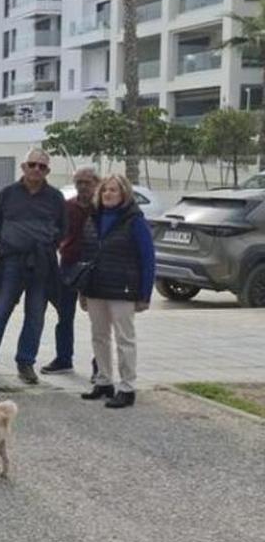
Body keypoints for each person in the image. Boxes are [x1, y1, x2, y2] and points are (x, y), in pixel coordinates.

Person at [0, 149, 66, 384]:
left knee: (35, 315)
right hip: (11, 261)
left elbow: (62, 229)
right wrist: (14, 241)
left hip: (41, 264)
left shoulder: (55, 197)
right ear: (24, 166)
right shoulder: (7, 193)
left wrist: (43, 244)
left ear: (48, 171)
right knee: (0, 311)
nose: (37, 169)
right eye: (33, 164)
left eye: (42, 166)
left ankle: (26, 362)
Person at [78, 174, 155, 409]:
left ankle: (127, 386)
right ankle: (103, 381)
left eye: (114, 190)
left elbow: (147, 257)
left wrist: (145, 294)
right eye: (105, 190)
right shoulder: (93, 218)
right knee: (99, 336)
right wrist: (83, 290)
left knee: (124, 338)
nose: (108, 194)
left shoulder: (135, 220)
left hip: (123, 288)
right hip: (96, 287)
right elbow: (86, 255)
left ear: (124, 194)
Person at [42, 166, 98, 375]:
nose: (83, 186)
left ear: (96, 184)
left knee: (98, 319)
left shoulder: (102, 208)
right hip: (69, 264)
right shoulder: (67, 206)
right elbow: (55, 231)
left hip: (95, 266)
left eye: (87, 182)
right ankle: (64, 358)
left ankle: (99, 364)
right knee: (64, 314)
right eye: (79, 182)